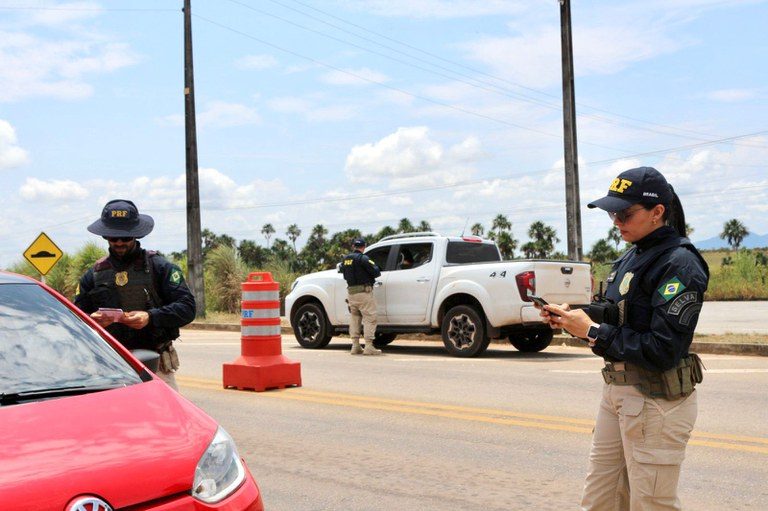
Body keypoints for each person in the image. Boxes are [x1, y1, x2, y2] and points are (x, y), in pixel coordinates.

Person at [539, 167, 709, 511]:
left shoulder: (679, 264)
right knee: (600, 499)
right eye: (612, 213)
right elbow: (618, 311)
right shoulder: (633, 255)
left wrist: (590, 330)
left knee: (652, 504)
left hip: (655, 398)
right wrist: (574, 314)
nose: (616, 221)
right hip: (618, 393)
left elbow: (662, 349)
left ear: (657, 212)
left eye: (625, 213)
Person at [74, 199, 196, 390]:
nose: (119, 242)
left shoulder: (160, 267)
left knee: (165, 418)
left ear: (136, 235)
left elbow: (188, 308)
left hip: (156, 364)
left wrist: (151, 317)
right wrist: (92, 320)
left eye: (125, 237)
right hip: (111, 365)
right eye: (114, 238)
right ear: (105, 236)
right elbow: (75, 317)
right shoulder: (93, 275)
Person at [339, 237, 382, 355]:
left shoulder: (346, 259)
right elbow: (376, 272)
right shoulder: (363, 258)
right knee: (370, 318)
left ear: (354, 246)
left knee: (355, 318)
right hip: (364, 293)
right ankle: (368, 346)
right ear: (364, 246)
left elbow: (342, 270)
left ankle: (355, 346)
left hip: (351, 293)